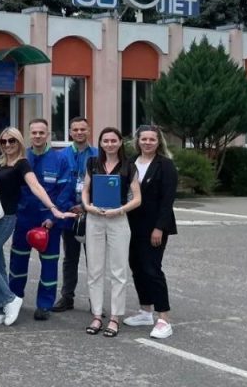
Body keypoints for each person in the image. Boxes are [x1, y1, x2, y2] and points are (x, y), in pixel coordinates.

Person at [0, 95, 72, 325]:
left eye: (11, 141)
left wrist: (53, 211)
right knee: (7, 264)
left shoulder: (23, 162)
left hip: (22, 218)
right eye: (5, 141)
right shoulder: (2, 157)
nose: (7, 144)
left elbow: (38, 187)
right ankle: (5, 305)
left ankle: (23, 302)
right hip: (5, 218)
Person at [4, 118, 73, 324]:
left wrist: (52, 218)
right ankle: (13, 299)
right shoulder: (20, 157)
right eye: (34, 133)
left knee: (49, 265)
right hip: (23, 219)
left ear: (48, 135)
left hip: (49, 222)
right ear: (29, 135)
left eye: (41, 133)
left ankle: (44, 305)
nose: (37, 136)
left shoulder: (60, 160)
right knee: (17, 263)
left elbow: (65, 192)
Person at [82, 127, 141, 338]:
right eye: (105, 141)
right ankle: (97, 315)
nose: (109, 144)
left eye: (113, 140)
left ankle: (115, 317)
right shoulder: (92, 163)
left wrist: (120, 210)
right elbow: (85, 189)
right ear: (100, 143)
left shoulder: (129, 166)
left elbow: (137, 198)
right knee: (94, 270)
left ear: (120, 142)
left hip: (118, 219)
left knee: (118, 271)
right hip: (95, 218)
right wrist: (87, 206)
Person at [123, 125, 178, 340]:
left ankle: (164, 318)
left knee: (152, 269)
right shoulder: (130, 163)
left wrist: (159, 228)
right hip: (131, 225)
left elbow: (167, 201)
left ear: (158, 142)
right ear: (137, 141)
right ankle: (145, 311)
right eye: (143, 139)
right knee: (136, 267)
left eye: (151, 139)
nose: (147, 142)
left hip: (154, 227)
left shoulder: (165, 165)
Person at [54, 117, 98, 313]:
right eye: (75, 129)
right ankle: (67, 297)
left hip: (92, 214)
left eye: (83, 129)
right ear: (70, 132)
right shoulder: (61, 155)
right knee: (70, 258)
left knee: (94, 260)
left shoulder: (99, 155)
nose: (79, 132)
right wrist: (69, 207)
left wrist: (85, 205)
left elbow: (103, 185)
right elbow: (57, 186)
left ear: (88, 131)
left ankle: (95, 301)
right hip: (69, 214)